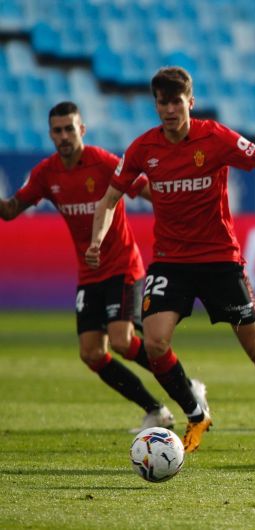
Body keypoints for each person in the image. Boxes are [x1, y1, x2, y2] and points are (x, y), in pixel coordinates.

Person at [86, 66, 255, 452]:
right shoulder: (144, 148)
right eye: (163, 103)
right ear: (156, 106)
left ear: (189, 103)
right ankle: (196, 413)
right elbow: (109, 199)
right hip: (171, 261)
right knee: (156, 342)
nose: (170, 110)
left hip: (220, 260)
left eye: (177, 102)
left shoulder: (215, 137)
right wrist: (97, 239)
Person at [0, 101, 182, 433]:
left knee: (122, 340)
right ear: (51, 135)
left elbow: (143, 189)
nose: (64, 135)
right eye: (58, 130)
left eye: (70, 128)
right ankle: (155, 409)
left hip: (123, 265)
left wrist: (179, 206)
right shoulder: (47, 173)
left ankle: (183, 386)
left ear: (82, 129)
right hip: (89, 273)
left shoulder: (103, 163)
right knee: (92, 354)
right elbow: (11, 210)